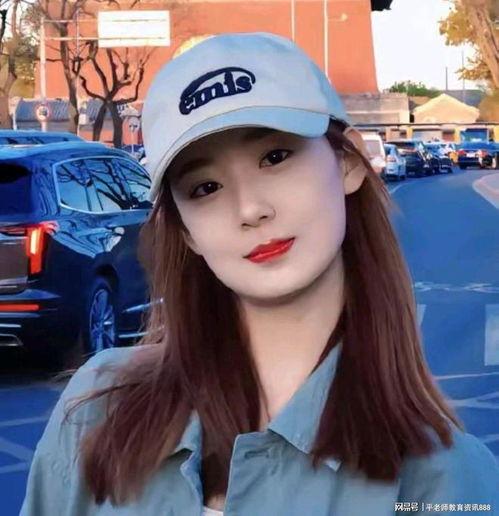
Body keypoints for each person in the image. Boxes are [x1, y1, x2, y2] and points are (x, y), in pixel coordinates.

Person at [21, 32, 499, 516]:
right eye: (205, 187)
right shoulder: (98, 411)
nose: (249, 209)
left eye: (275, 157)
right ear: (186, 231)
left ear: (349, 163)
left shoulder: (446, 482)